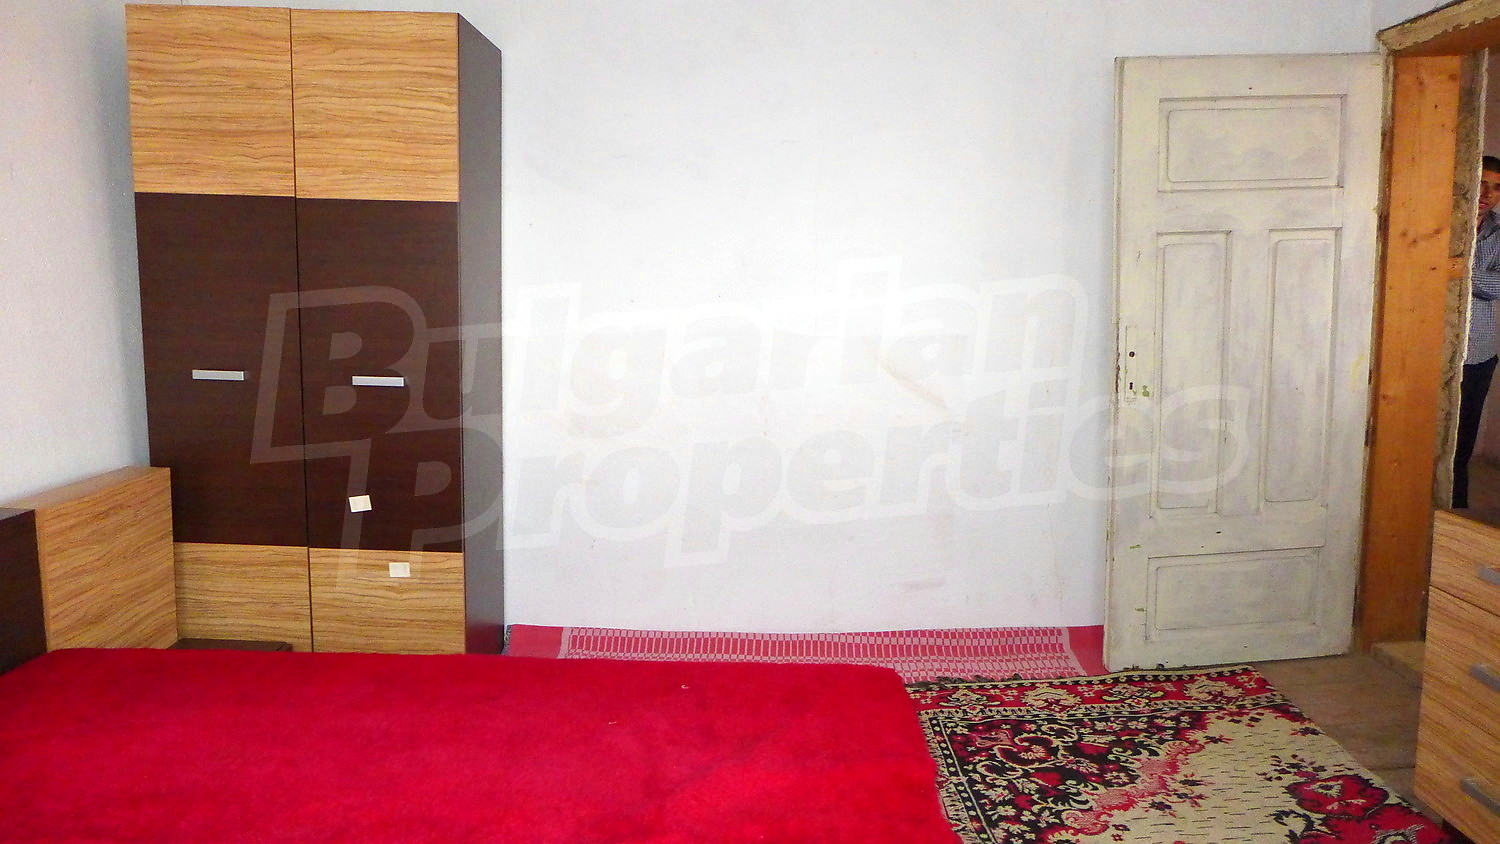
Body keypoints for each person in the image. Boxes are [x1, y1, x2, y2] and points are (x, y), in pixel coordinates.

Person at [1454, 155, 1500, 508]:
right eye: (1482, 183)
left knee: (1463, 439)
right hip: (1437, 349)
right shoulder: (1447, 224)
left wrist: (1459, 271)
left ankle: (1454, 510)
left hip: (1480, 353)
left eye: (1496, 187)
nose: (1487, 193)